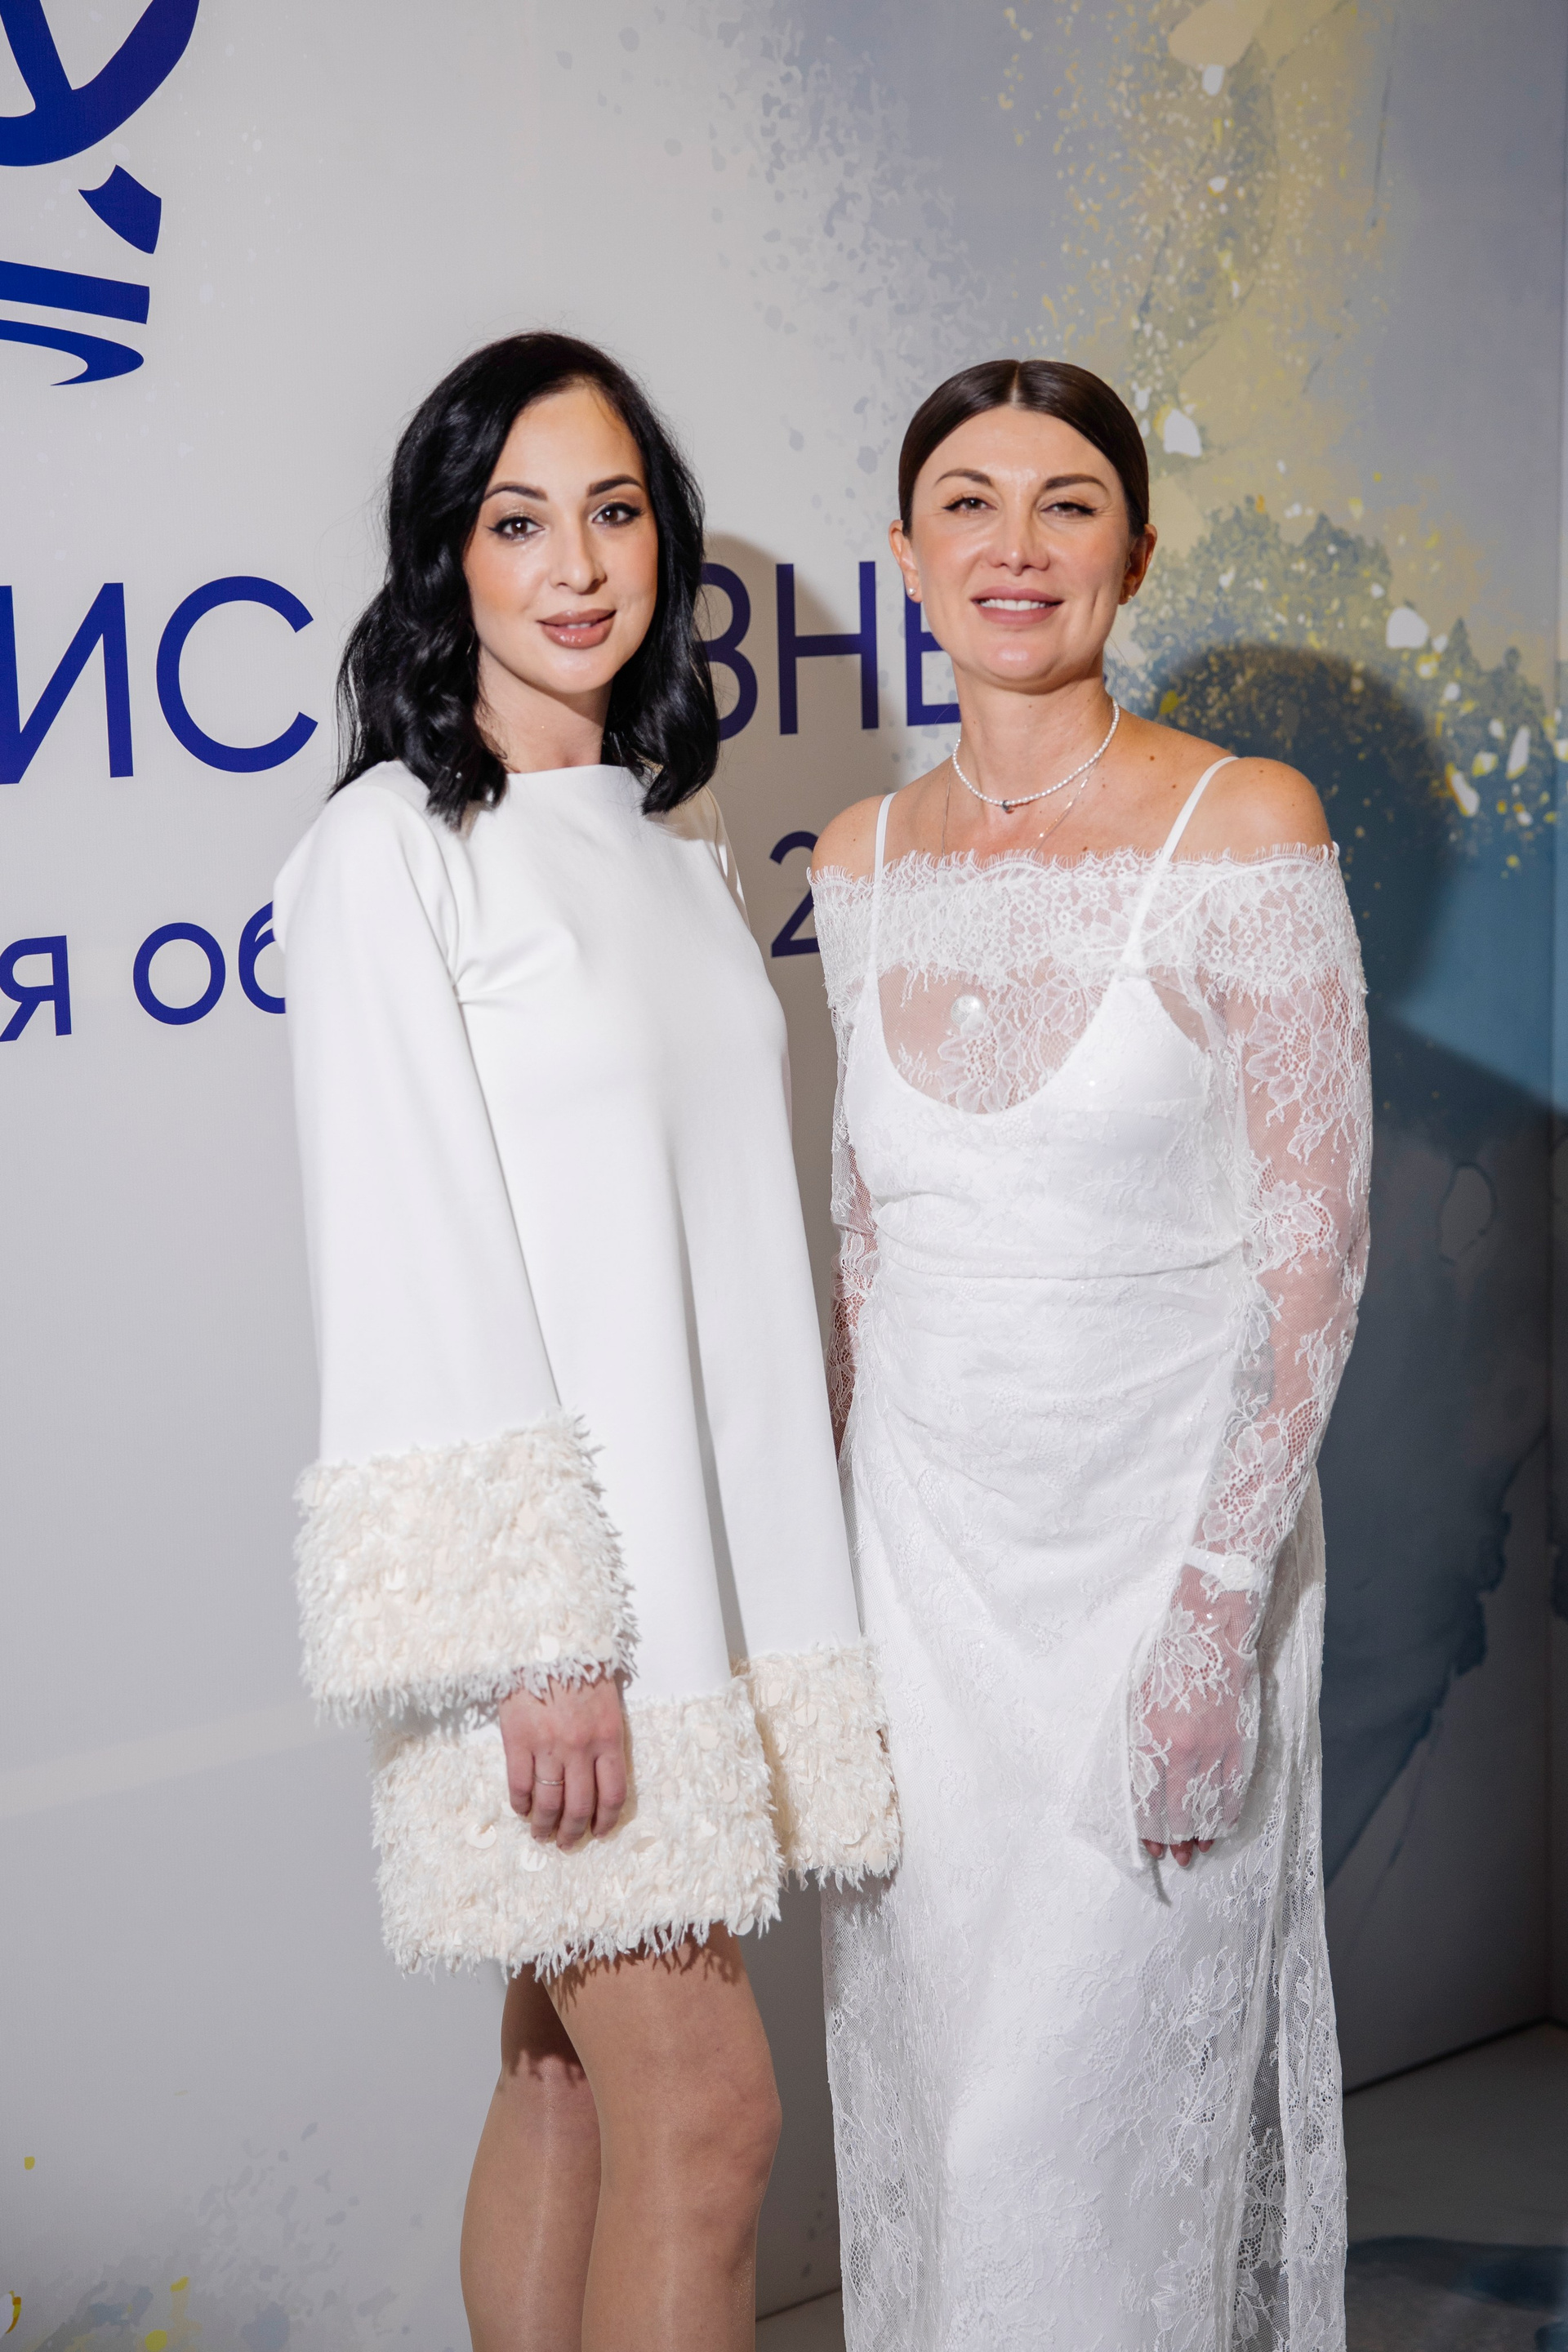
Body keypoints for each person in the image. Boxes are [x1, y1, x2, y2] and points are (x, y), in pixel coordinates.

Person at [272, 332, 898, 2352]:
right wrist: (538, 1638)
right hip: (570, 1630)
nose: (576, 565)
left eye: (613, 513)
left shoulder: (674, 845)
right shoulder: (388, 853)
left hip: (700, 1599)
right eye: (518, 520)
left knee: (561, 2078)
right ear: (443, 558)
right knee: (708, 2128)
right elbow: (412, 1251)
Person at [810, 358, 1370, 2350]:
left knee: (1083, 2155)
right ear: (906, 556)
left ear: (1135, 552)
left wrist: (1217, 1610)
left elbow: (1316, 1249)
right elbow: (868, 1247)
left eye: (1068, 504)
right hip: (919, 1592)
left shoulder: (1247, 823)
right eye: (969, 504)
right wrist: (828, 1614)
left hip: (1150, 1577)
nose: (1016, 546)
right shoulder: (858, 864)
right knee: (949, 2121)